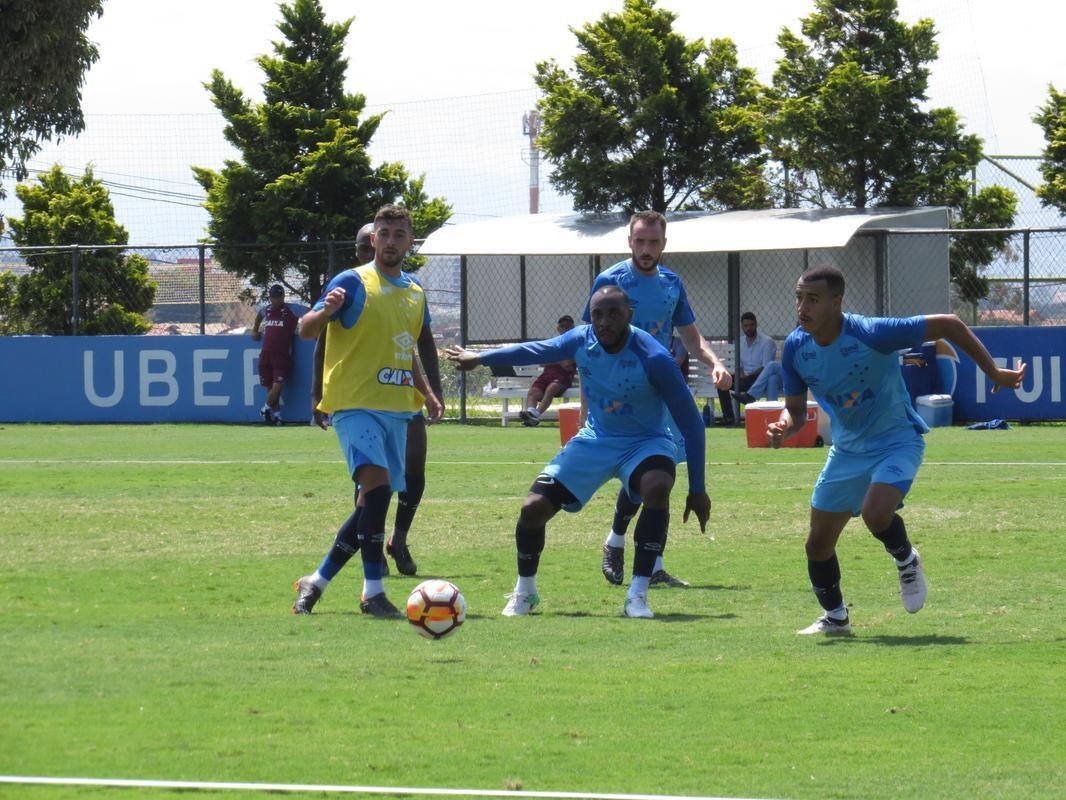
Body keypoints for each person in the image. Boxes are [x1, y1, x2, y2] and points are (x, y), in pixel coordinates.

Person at [767, 265, 1027, 635]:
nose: (801, 307)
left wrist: (994, 373)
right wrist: (784, 424)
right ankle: (836, 619)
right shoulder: (795, 346)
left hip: (896, 440)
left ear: (836, 302)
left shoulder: (872, 332)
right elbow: (793, 410)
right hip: (848, 450)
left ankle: (906, 559)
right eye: (798, 298)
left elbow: (950, 324)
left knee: (876, 513)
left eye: (812, 299)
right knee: (817, 544)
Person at [446, 285, 711, 619]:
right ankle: (525, 593)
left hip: (646, 441)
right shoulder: (581, 340)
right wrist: (481, 358)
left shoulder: (654, 358)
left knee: (657, 485)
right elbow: (536, 350)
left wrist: (698, 489)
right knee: (532, 509)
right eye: (598, 314)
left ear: (629, 313)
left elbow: (692, 422)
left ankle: (637, 596)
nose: (605, 322)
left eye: (614, 313)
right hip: (596, 439)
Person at [291, 205, 443, 619]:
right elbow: (305, 329)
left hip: (397, 409)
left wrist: (427, 392)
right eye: (384, 233)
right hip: (353, 404)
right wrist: (325, 311)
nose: (391, 240)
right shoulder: (352, 282)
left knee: (371, 504)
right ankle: (372, 593)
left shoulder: (414, 293)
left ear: (410, 242)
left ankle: (316, 581)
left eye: (399, 234)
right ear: (373, 239)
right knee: (375, 486)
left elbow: (405, 347)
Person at [583, 210, 731, 589]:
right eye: (640, 241)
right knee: (642, 471)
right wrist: (588, 404)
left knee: (661, 472)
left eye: (653, 242)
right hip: (619, 391)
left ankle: (652, 564)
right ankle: (616, 540)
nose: (646, 248)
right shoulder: (610, 280)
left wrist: (715, 363)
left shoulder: (671, 283)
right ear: (629, 241)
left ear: (664, 244)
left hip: (658, 390)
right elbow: (589, 341)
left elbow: (690, 337)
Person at [250, 283, 300, 425]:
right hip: (266, 354)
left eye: (278, 297)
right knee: (270, 388)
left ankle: (265, 408)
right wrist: (255, 330)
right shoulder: (267, 310)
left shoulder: (292, 309)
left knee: (278, 385)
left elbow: (311, 312)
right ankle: (277, 416)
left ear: (283, 297)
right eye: (273, 298)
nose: (276, 300)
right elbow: (259, 315)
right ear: (270, 298)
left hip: (282, 354)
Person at [720, 311, 783, 415]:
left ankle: (750, 397)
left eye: (751, 325)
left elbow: (765, 367)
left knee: (770, 377)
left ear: (756, 324)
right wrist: (741, 375)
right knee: (721, 382)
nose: (749, 328)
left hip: (758, 377)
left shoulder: (767, 342)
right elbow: (739, 365)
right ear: (741, 326)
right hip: (744, 378)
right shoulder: (740, 341)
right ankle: (729, 417)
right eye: (745, 326)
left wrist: (748, 377)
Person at [519, 315, 577, 427]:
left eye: (568, 327)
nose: (565, 329)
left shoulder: (574, 344)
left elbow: (568, 364)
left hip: (562, 378)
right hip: (546, 375)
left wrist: (554, 360)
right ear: (558, 328)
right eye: (562, 326)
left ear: (573, 328)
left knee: (552, 388)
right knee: (533, 391)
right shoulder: (552, 343)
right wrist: (559, 360)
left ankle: (535, 414)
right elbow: (542, 362)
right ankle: (531, 414)